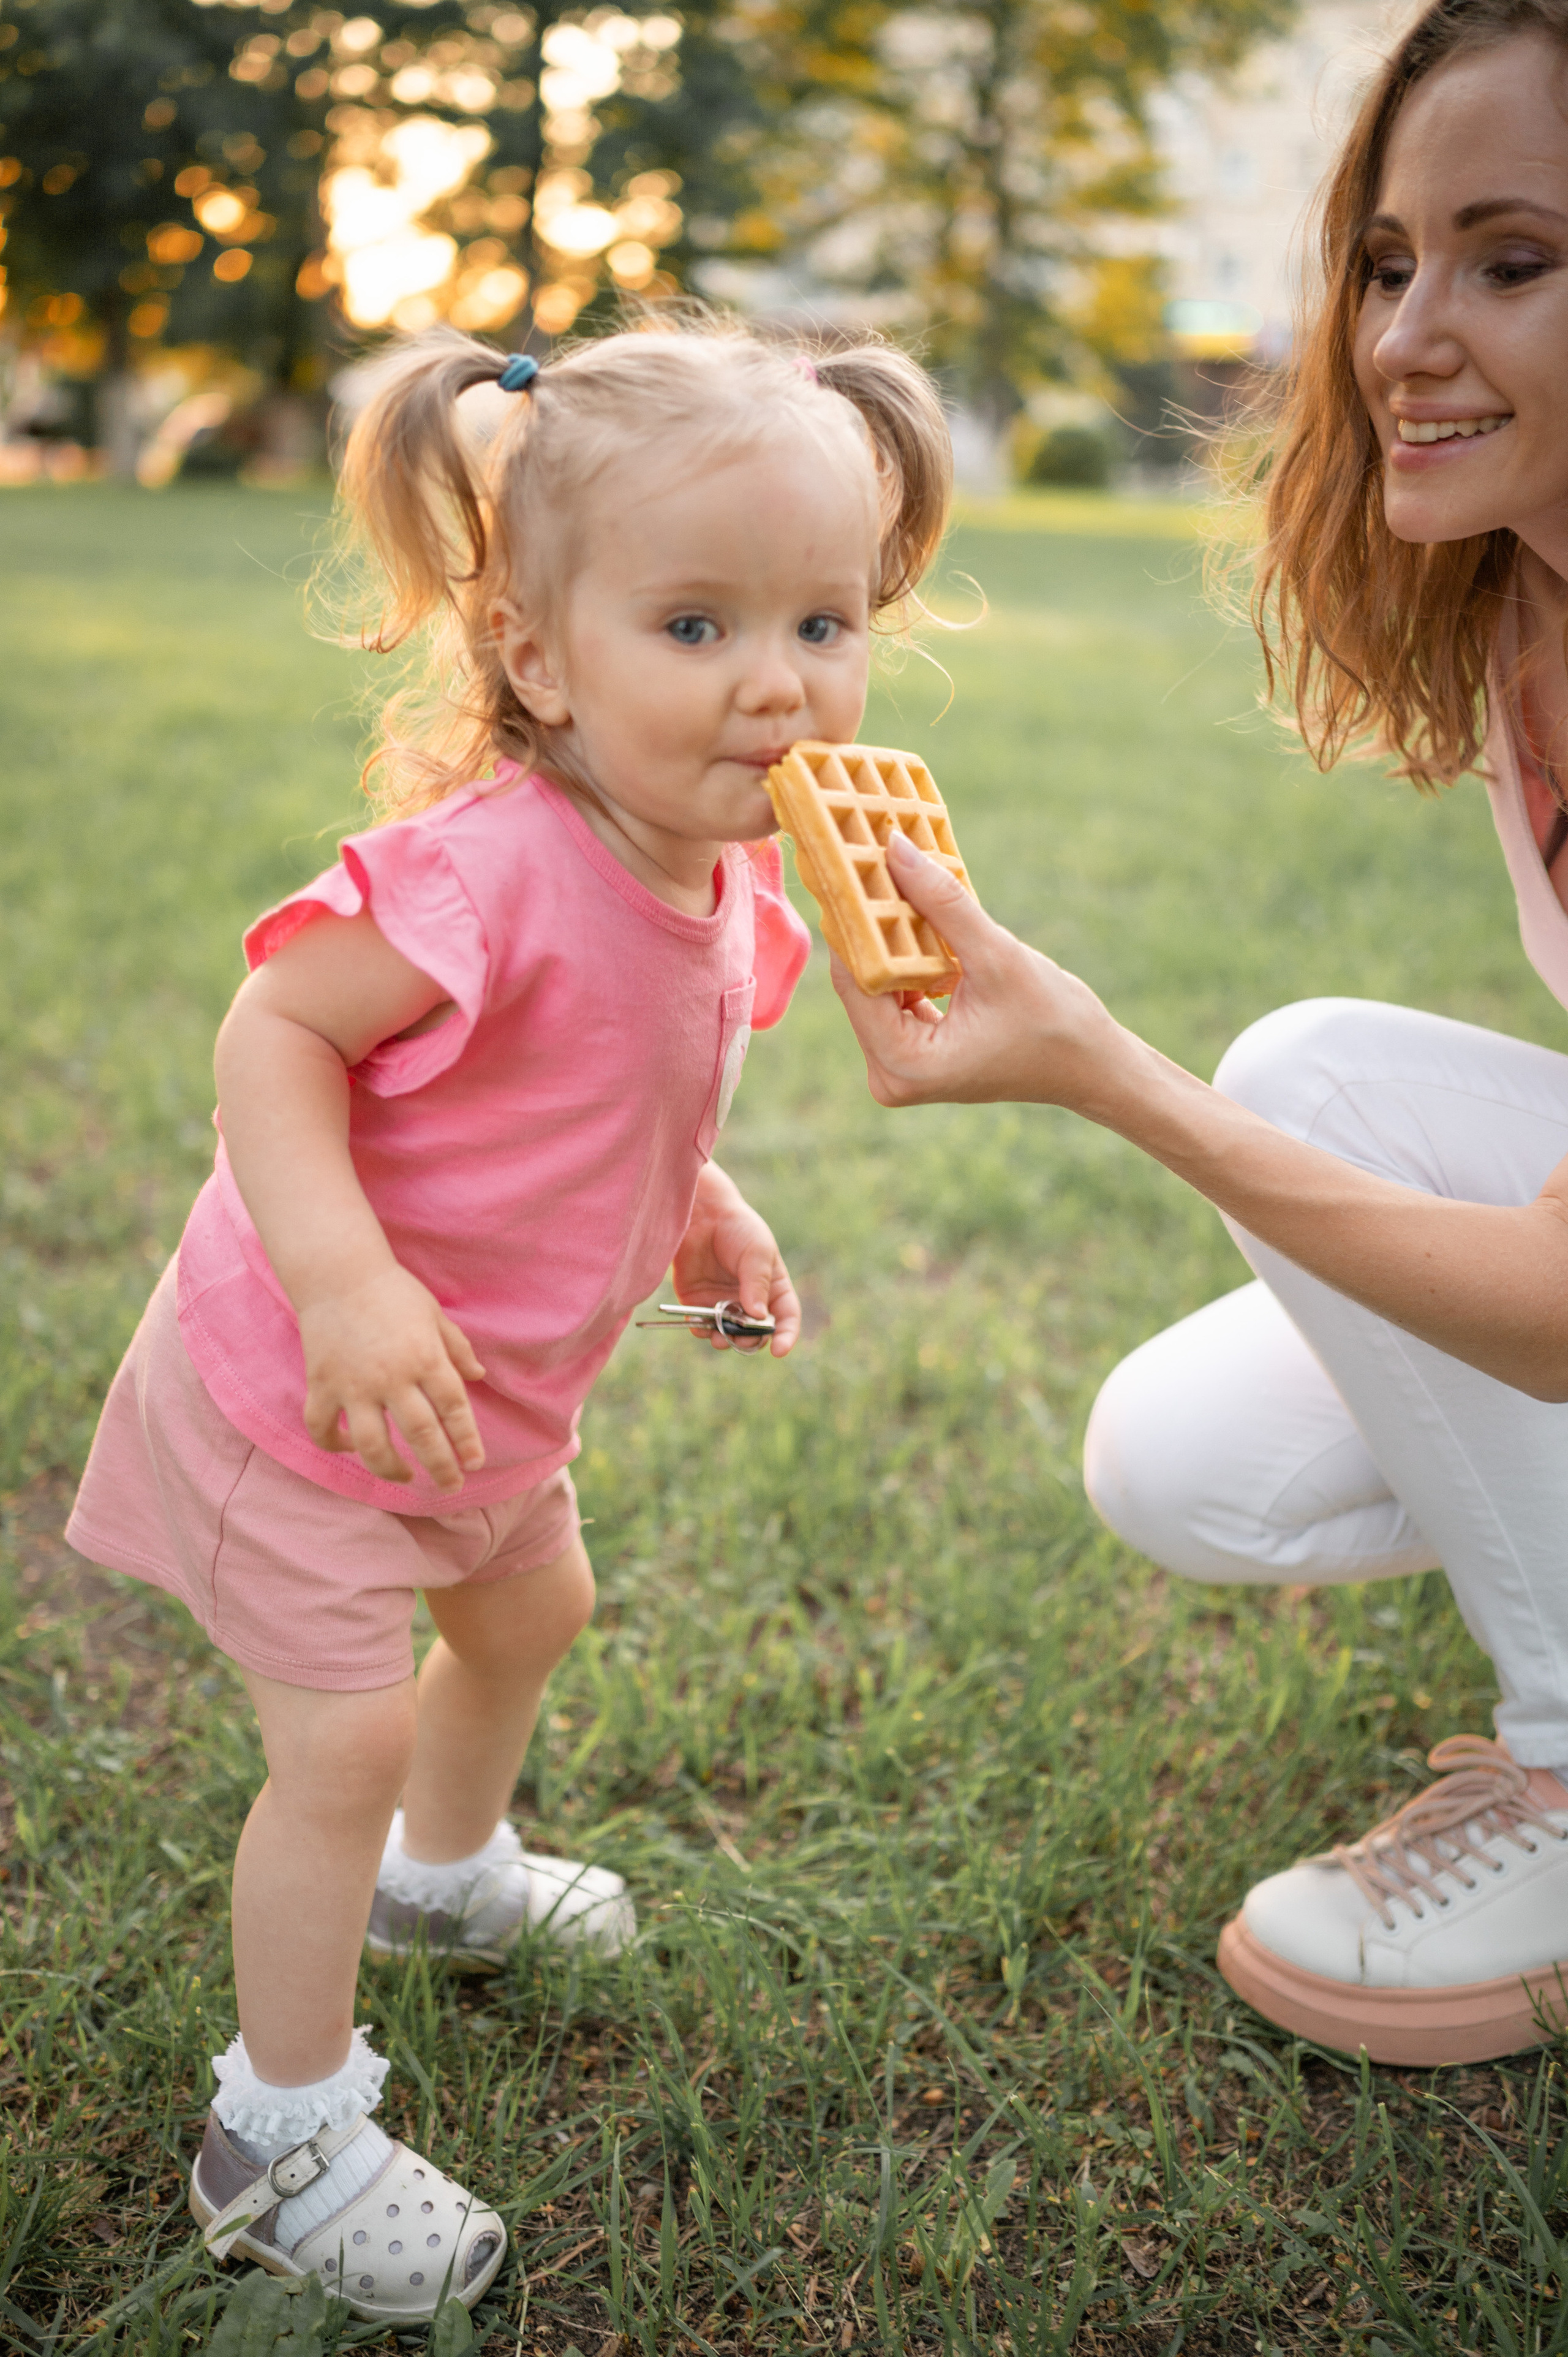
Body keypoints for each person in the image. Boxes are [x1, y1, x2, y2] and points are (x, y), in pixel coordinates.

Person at [65, 319, 953, 2320]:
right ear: (537, 656)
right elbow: (277, 1034)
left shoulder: (735, 892)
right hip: (305, 1392)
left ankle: (443, 1883)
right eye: (698, 622)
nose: (778, 680)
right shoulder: (483, 873)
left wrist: (703, 1213)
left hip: (485, 1409)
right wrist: (346, 1277)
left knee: (532, 1615)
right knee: (345, 1736)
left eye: (824, 618)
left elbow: (615, 1106)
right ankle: (276, 2129)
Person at [832, 0, 1568, 2071]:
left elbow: (1559, 1315)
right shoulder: (1530, 610)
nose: (1408, 335)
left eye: (1514, 261)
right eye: (1390, 261)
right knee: (1195, 1460)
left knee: (1284, 1077)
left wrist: (1095, 1065)